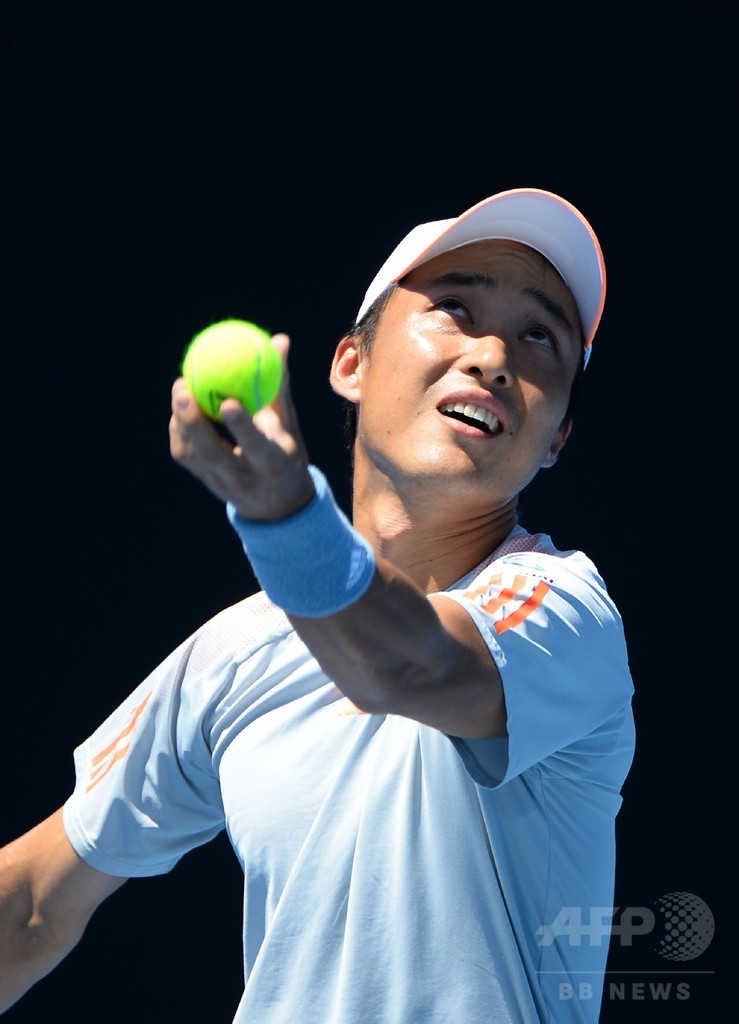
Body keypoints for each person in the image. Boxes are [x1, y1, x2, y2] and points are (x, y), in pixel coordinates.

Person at [0, 187, 635, 1023]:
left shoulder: (566, 610)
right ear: (350, 365)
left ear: (556, 437)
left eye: (538, 337)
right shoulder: (236, 654)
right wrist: (290, 529)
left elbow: (410, 667)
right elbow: (32, 906)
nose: (490, 355)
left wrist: (284, 516)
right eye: (454, 309)